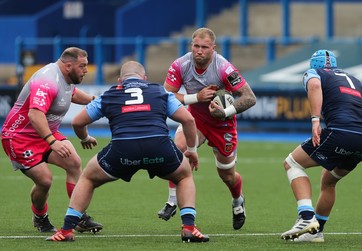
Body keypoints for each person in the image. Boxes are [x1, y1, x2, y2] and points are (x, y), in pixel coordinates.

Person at [46, 61, 209, 242]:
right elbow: (188, 121)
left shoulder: (109, 94)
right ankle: (188, 228)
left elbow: (77, 122)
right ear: (145, 79)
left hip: (123, 151)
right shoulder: (160, 91)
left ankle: (67, 230)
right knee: (184, 176)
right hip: (159, 148)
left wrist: (85, 138)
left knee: (88, 178)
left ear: (120, 80)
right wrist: (192, 150)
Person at [158, 27, 257, 230]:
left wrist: (226, 112)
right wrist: (195, 98)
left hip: (223, 125)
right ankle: (171, 201)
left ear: (213, 48)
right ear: (191, 45)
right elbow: (165, 95)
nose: (199, 51)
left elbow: (249, 97)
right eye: (196, 46)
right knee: (176, 150)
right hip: (196, 119)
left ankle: (238, 200)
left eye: (204, 47)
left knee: (227, 176)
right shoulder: (180, 64)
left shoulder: (224, 68)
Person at [280, 50, 362, 242]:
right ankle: (316, 232)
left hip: (340, 133)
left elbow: (315, 85)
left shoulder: (314, 73)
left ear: (313, 64)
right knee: (329, 181)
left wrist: (315, 120)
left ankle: (306, 217)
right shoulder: (356, 82)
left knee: (292, 163)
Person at [1, 47, 103, 233]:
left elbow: (71, 93)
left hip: (45, 131)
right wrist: (52, 141)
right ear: (68, 65)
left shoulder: (66, 77)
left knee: (74, 162)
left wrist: (95, 100)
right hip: (19, 137)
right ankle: (40, 218)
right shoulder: (47, 81)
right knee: (45, 181)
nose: (86, 70)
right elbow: (34, 113)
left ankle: (79, 216)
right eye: (82, 66)